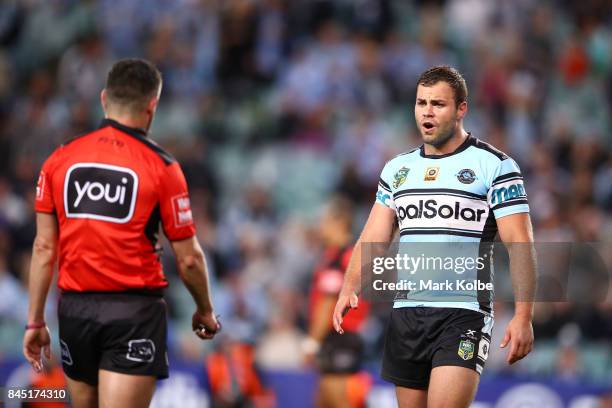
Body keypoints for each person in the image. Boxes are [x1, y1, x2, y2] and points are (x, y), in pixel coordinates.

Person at [333, 66, 537, 408]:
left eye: (438, 104)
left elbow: (521, 243)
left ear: (461, 109)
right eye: (420, 102)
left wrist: (523, 315)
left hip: (463, 312)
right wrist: (349, 286)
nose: (427, 111)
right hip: (407, 313)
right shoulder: (397, 170)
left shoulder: (495, 166)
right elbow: (374, 236)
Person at [23, 58, 220, 408]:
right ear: (152, 106)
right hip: (133, 313)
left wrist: (35, 320)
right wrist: (204, 309)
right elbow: (188, 259)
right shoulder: (162, 167)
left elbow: (42, 247)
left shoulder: (59, 159)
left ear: (103, 99)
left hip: (75, 311)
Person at [304, 196, 371, 408]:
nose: (320, 227)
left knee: (339, 400)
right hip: (341, 338)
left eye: (324, 221)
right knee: (324, 400)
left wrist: (311, 343)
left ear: (339, 222)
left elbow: (328, 303)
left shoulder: (342, 257)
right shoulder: (339, 255)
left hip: (340, 337)